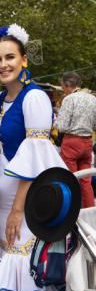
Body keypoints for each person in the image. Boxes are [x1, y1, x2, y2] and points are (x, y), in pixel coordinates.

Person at [0, 24, 79, 291]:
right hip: (6, 194)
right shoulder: (3, 102)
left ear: (24, 60)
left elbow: (37, 157)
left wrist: (18, 207)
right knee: (16, 271)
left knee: (29, 271)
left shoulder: (35, 97)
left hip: (26, 199)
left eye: (10, 57)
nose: (4, 64)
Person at [56, 71, 96, 208]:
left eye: (62, 86)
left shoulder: (69, 99)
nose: (62, 89)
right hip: (87, 142)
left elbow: (61, 126)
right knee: (86, 181)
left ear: (68, 85)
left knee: (70, 180)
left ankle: (73, 214)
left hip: (71, 142)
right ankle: (89, 214)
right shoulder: (93, 99)